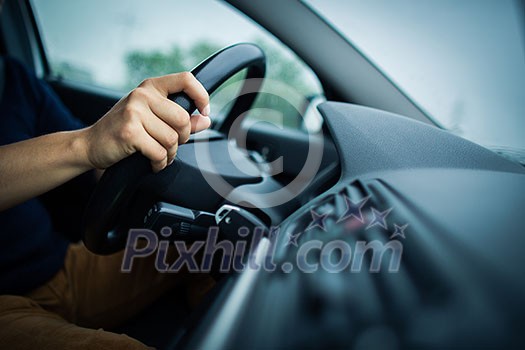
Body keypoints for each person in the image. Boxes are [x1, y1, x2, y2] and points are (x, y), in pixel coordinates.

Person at [0, 54, 213, 349]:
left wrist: (139, 139)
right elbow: (85, 146)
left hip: (61, 265)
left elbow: (93, 164)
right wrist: (87, 143)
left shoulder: (11, 77)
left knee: (209, 243)